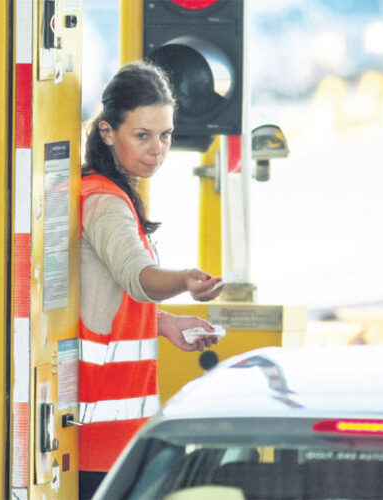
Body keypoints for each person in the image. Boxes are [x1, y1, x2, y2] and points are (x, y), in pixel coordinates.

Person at [78, 60, 224, 498]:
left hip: (115, 435)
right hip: (102, 439)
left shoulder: (112, 194)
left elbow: (108, 297)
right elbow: (137, 276)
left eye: (166, 135)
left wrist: (165, 323)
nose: (156, 149)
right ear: (107, 132)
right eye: (142, 135)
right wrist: (185, 281)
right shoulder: (105, 202)